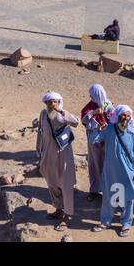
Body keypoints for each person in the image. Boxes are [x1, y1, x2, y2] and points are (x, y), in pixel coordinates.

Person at [94, 105, 134, 237]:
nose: (125, 118)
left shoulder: (132, 132)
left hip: (128, 171)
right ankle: (105, 221)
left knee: (127, 197)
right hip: (111, 170)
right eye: (123, 115)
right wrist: (98, 130)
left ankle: (126, 224)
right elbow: (95, 140)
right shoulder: (109, 129)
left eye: (128, 116)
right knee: (109, 196)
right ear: (118, 116)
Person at [35, 91, 79, 231]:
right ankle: (59, 209)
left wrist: (61, 111)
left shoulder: (63, 114)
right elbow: (40, 132)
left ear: (59, 102)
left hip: (63, 154)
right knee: (52, 183)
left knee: (65, 184)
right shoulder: (43, 114)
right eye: (49, 102)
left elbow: (76, 122)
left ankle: (67, 215)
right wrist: (39, 151)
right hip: (48, 154)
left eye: (55, 101)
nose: (52, 104)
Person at [81, 83, 113, 201]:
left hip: (107, 139)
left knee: (107, 164)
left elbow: (113, 119)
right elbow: (84, 119)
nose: (91, 98)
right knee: (94, 163)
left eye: (92, 95)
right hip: (94, 140)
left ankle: (107, 191)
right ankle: (94, 190)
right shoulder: (90, 106)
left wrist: (106, 125)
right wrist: (94, 112)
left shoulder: (107, 104)